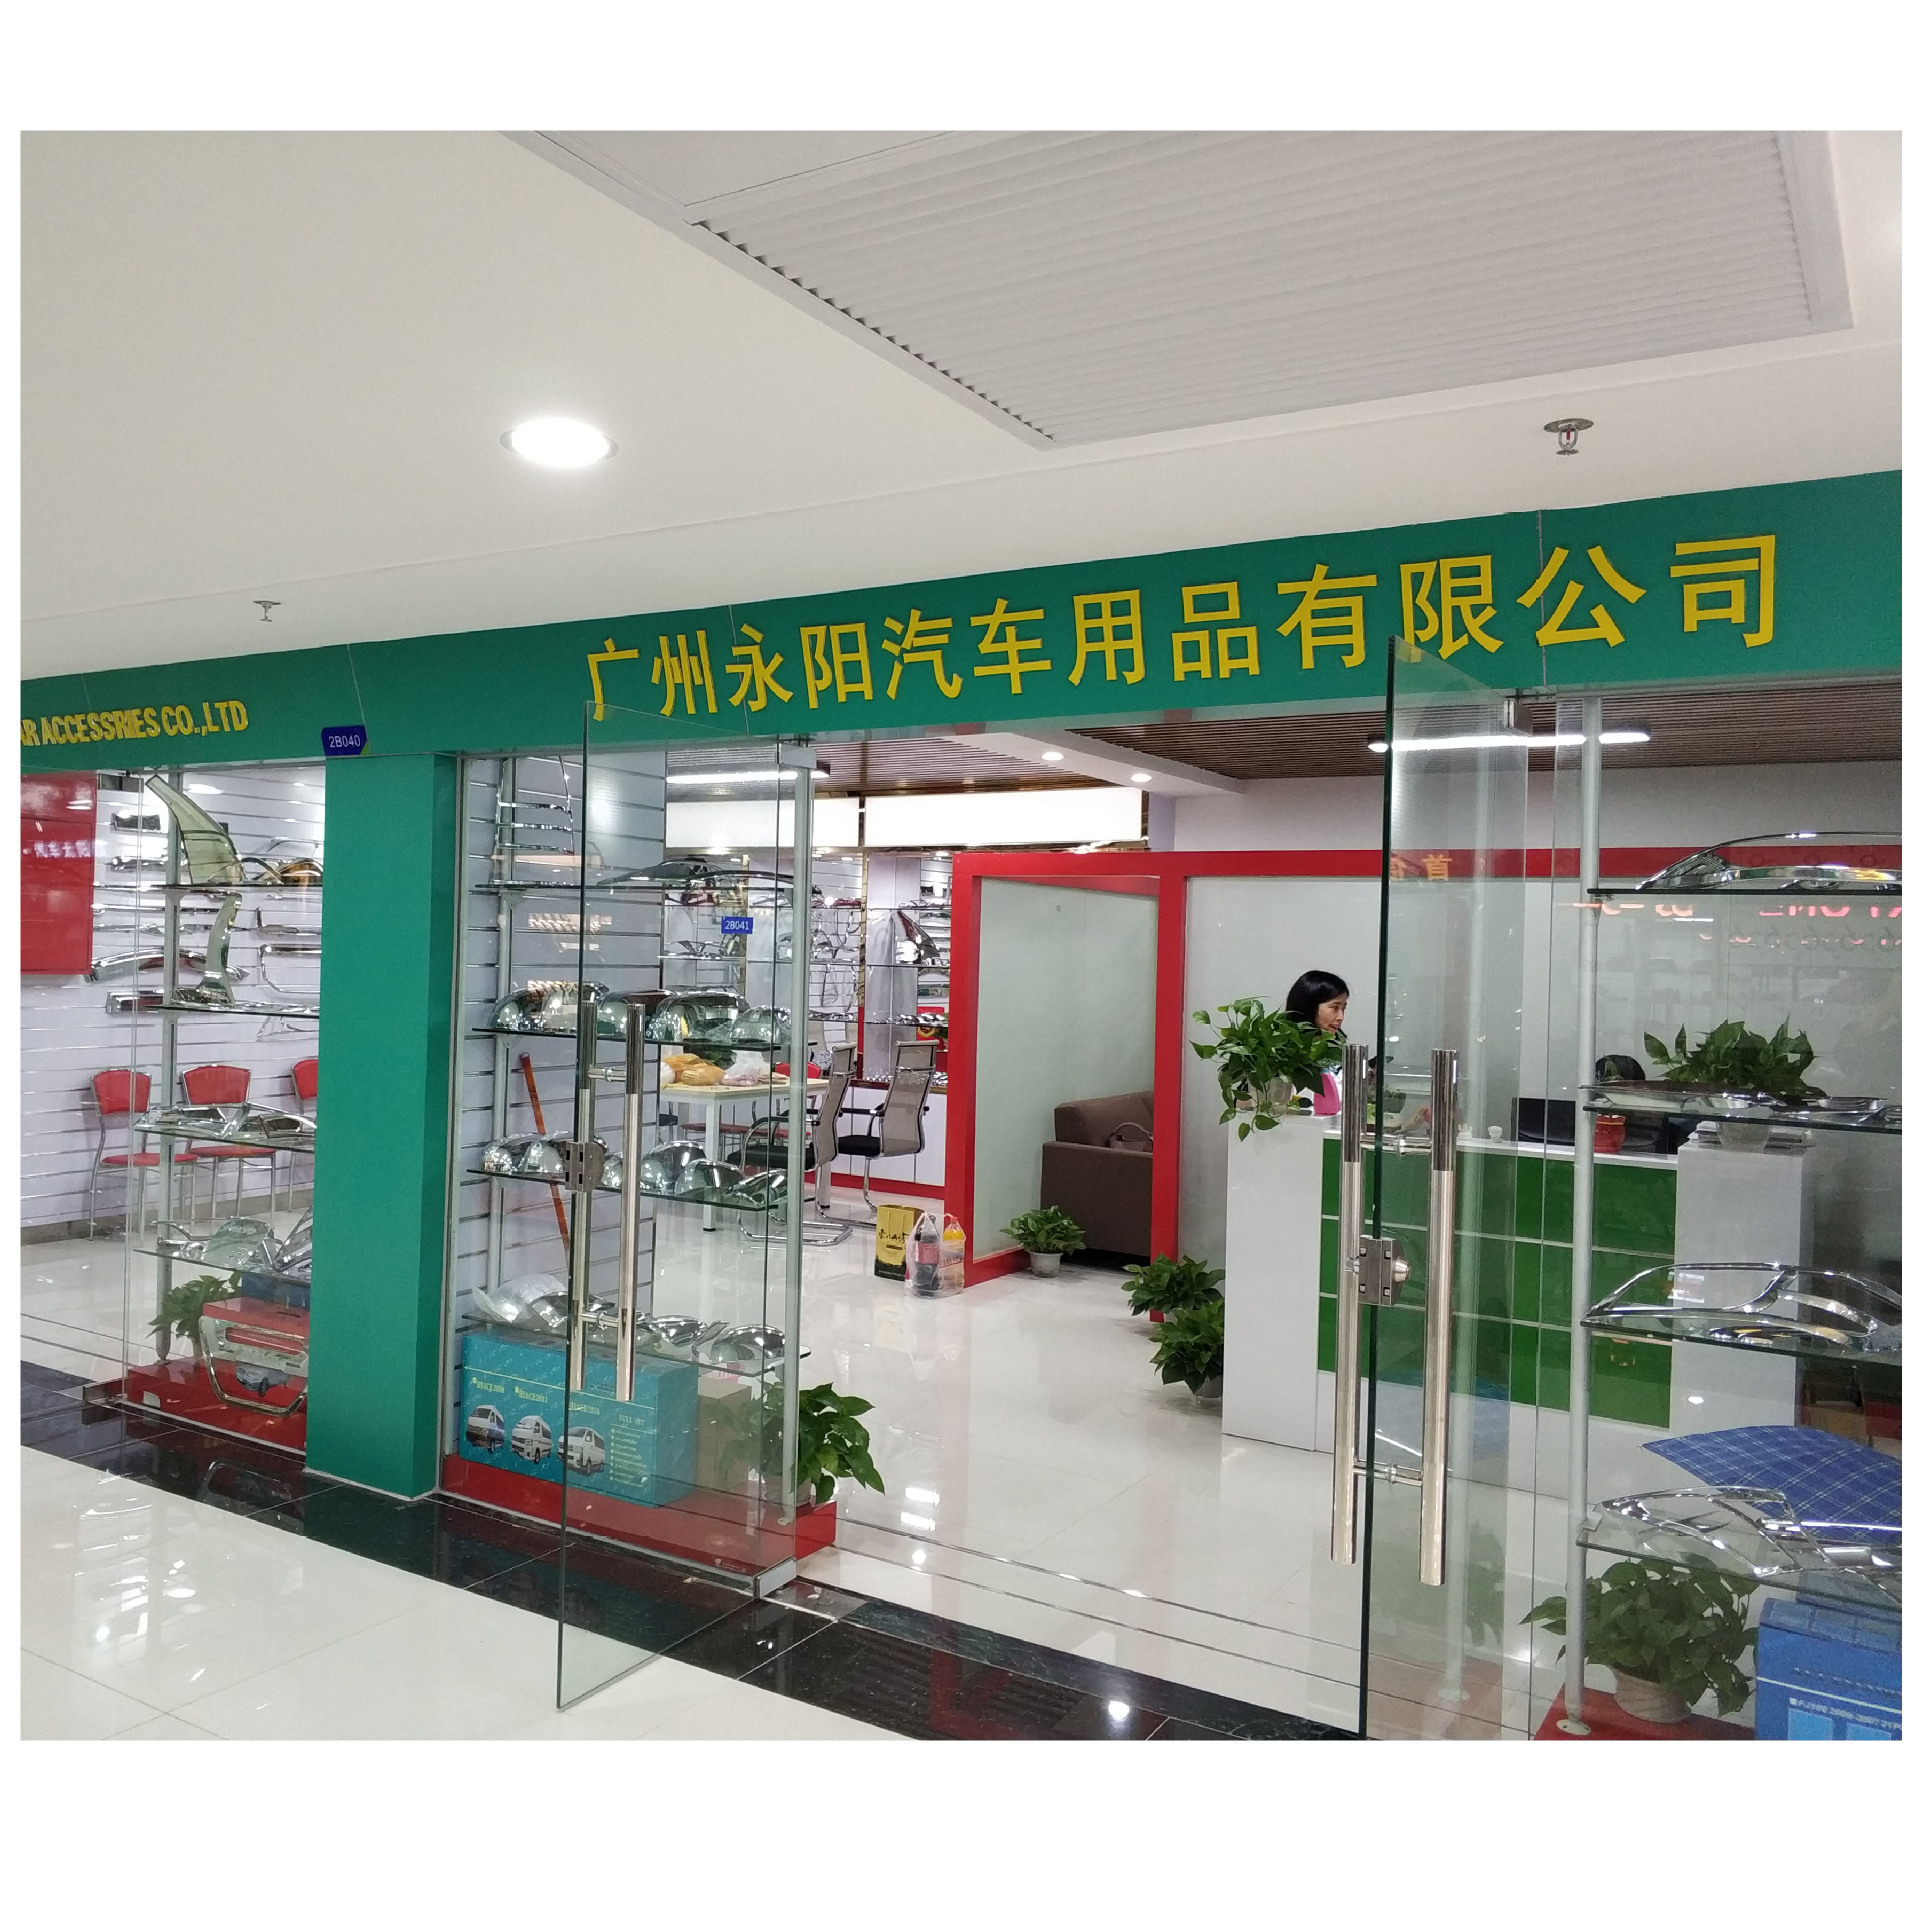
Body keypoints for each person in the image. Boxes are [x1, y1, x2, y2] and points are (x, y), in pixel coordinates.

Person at [1284, 970, 1349, 1113]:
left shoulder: (1340, 1052)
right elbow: (1243, 1102)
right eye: (1335, 1008)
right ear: (1310, 1006)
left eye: (1343, 1008)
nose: (1341, 1017)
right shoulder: (1279, 1052)